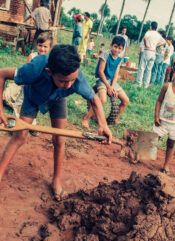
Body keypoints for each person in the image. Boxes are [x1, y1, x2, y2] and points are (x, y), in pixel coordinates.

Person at [0, 45, 112, 201]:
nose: (69, 85)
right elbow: (2, 75)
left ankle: (56, 180)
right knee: (20, 136)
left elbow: (94, 99)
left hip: (58, 99)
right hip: (33, 98)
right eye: (63, 81)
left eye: (72, 80)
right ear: (49, 72)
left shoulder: (77, 79)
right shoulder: (35, 69)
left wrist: (103, 125)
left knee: (59, 139)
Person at [3, 31, 53, 135]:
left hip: (37, 91)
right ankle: (13, 124)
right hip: (27, 87)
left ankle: (31, 126)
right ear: (37, 45)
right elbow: (25, 70)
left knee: (34, 108)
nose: (42, 49)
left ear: (50, 47)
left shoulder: (50, 60)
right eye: (40, 46)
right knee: (19, 104)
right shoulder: (33, 56)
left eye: (45, 46)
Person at [82, 36, 129, 128]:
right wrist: (108, 86)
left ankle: (115, 118)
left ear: (122, 49)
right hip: (101, 78)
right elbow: (100, 71)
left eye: (119, 48)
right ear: (111, 45)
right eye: (115, 47)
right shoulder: (106, 54)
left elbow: (116, 74)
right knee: (103, 99)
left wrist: (112, 86)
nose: (117, 50)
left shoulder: (119, 58)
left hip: (111, 81)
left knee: (126, 100)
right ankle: (86, 119)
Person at [136, 21, 166, 88]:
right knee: (149, 70)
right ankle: (146, 85)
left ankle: (138, 84)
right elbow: (164, 42)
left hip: (147, 51)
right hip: (153, 52)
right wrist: (156, 45)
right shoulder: (158, 34)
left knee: (142, 68)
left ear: (151, 26)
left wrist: (146, 44)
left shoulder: (149, 32)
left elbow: (145, 38)